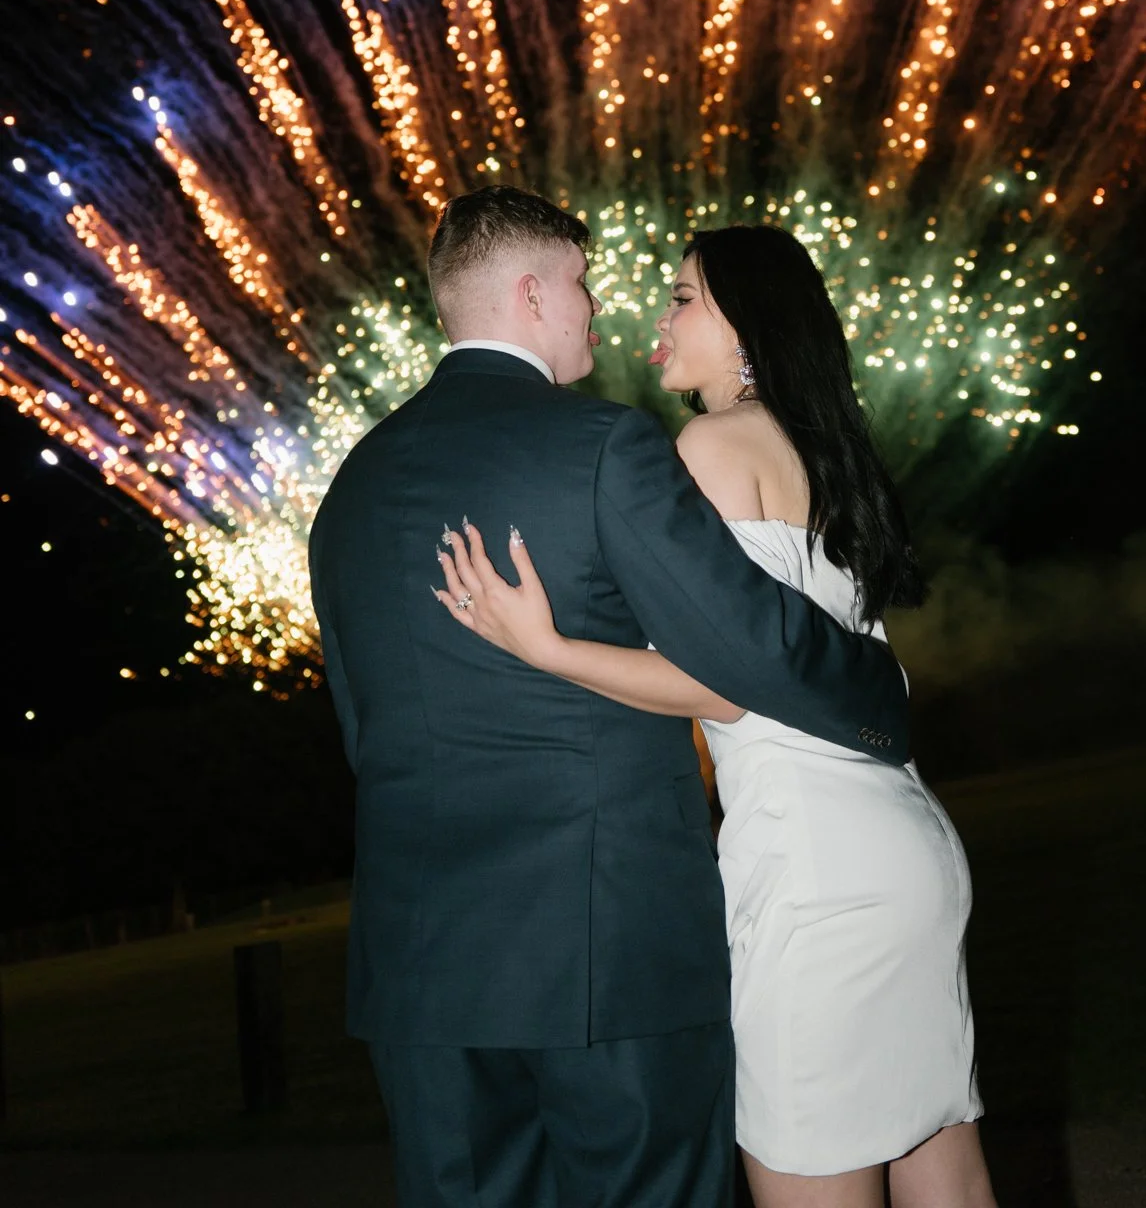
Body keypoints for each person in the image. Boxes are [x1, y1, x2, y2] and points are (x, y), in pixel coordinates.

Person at [309, 186, 912, 1208]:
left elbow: (361, 727)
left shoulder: (351, 488)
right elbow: (747, 643)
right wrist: (878, 690)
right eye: (580, 284)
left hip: (421, 965)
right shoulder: (601, 446)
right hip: (608, 945)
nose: (595, 306)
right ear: (530, 293)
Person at [438, 223, 996, 1208]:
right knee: (942, 1170)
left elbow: (722, 679)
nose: (657, 317)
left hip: (814, 870)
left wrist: (547, 646)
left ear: (748, 324)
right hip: (905, 846)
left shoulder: (712, 443)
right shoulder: (825, 453)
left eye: (684, 296)